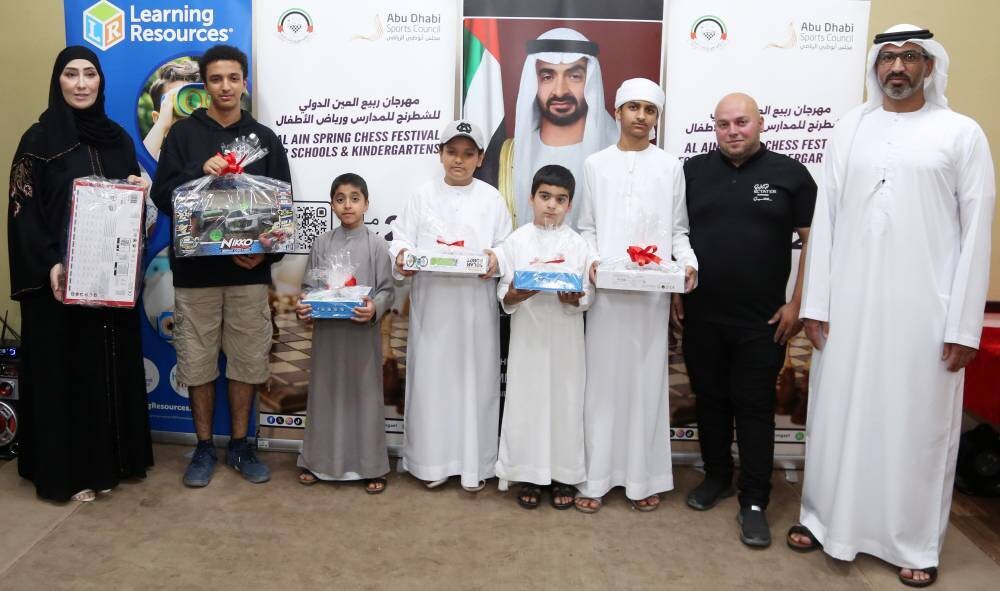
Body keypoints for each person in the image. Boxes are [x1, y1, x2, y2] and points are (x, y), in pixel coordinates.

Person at [788, 25, 995, 587]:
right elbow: (827, 220)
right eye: (887, 58)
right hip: (849, 308)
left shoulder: (961, 133)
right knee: (838, 413)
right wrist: (817, 302)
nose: (897, 67)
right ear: (875, 67)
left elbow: (977, 232)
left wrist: (964, 326)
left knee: (914, 423)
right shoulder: (849, 129)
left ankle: (913, 542)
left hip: (925, 313)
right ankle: (824, 520)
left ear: (930, 66)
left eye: (910, 57)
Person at [7, 46, 153, 502]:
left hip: (107, 279)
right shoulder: (38, 141)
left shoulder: (117, 139)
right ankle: (66, 473)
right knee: (65, 373)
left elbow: (131, 208)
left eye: (90, 74)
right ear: (58, 81)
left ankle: (110, 463)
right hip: (57, 282)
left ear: (100, 81)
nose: (82, 83)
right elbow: (22, 211)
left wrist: (141, 190)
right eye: (71, 74)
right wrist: (50, 262)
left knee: (105, 367)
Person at [674, 92, 816, 547]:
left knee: (754, 409)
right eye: (723, 124)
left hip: (763, 321)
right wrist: (675, 288)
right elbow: (675, 235)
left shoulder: (791, 174)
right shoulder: (692, 172)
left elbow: (814, 242)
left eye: (741, 122)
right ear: (713, 127)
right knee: (710, 401)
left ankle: (754, 500)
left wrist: (798, 304)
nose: (732, 131)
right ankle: (717, 476)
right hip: (702, 315)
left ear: (760, 123)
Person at [151, 44, 291, 488]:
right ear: (205, 84)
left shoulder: (264, 139)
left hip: (248, 273)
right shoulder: (183, 136)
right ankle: (204, 447)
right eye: (216, 79)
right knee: (196, 362)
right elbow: (162, 195)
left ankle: (242, 445)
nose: (225, 86)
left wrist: (266, 253)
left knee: (248, 362)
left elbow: (281, 207)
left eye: (233, 78)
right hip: (196, 275)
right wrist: (199, 171)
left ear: (244, 83)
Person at [575, 78, 698, 513]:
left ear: (657, 117)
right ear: (617, 112)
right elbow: (587, 228)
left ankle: (643, 478)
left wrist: (688, 264)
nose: (641, 116)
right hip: (607, 295)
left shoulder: (670, 166)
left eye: (649, 109)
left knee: (646, 385)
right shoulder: (595, 164)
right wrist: (592, 261)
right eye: (633, 107)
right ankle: (595, 478)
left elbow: (678, 230)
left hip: (651, 297)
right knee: (602, 385)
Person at [389, 120, 511, 492]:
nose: (459, 160)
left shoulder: (491, 198)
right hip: (433, 311)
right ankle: (430, 462)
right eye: (452, 152)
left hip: (475, 314)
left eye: (468, 154)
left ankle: (474, 464)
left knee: (475, 384)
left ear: (480, 158)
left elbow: (506, 247)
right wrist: (402, 256)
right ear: (440, 154)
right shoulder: (422, 196)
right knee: (432, 383)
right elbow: (400, 241)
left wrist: (497, 259)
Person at [494, 164, 596, 510]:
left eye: (560, 199)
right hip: (528, 339)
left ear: (570, 205)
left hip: (567, 342)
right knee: (526, 405)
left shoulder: (579, 244)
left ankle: (564, 475)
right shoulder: (516, 241)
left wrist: (575, 299)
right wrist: (514, 295)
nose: (551, 205)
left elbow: (588, 294)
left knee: (565, 404)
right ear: (531, 198)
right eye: (545, 196)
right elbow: (504, 291)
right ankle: (528, 474)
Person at [294, 173, 394, 494]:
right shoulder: (321, 243)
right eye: (340, 199)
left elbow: (387, 291)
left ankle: (371, 466)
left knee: (364, 394)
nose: (347, 205)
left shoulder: (376, 245)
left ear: (366, 203)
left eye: (354, 198)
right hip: (328, 335)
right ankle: (317, 462)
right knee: (325, 393)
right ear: (332, 205)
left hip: (361, 334)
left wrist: (374, 308)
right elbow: (309, 287)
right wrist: (305, 305)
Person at [497, 28, 617, 228]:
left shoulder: (615, 150)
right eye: (547, 77)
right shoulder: (511, 154)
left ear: (590, 82)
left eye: (574, 76)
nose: (560, 91)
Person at [142, 59, 201, 161]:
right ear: (157, 118)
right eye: (176, 108)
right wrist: (161, 124)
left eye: (190, 101)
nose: (187, 116)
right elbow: (138, 167)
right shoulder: (156, 159)